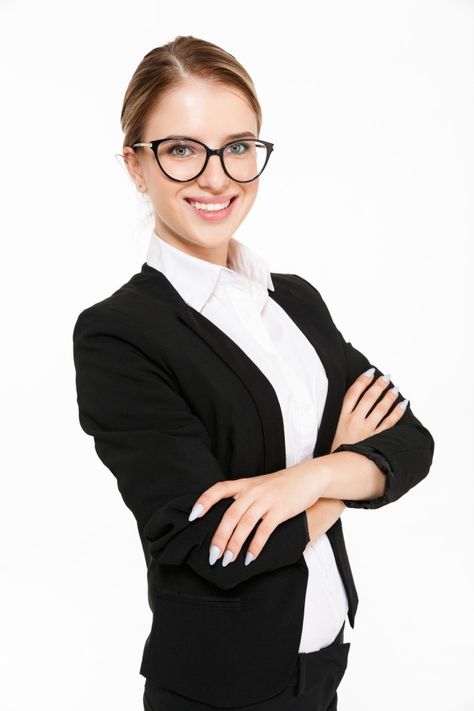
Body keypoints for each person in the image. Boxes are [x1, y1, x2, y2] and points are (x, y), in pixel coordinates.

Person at [72, 35, 435, 710]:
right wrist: (342, 466)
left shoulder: (293, 301)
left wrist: (310, 476)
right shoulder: (119, 334)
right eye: (182, 149)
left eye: (238, 146)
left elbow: (410, 442)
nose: (217, 177)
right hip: (220, 690)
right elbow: (209, 542)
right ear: (136, 165)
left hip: (322, 671)